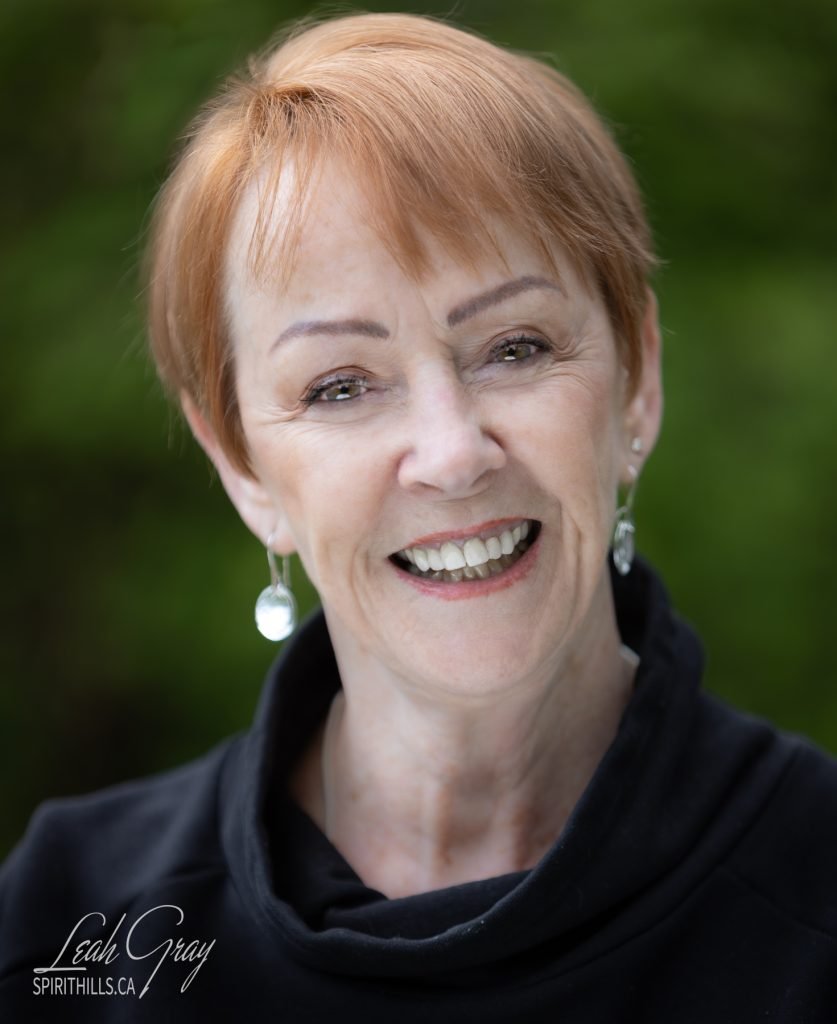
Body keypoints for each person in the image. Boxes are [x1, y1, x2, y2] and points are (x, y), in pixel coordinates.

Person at [1, 11, 836, 1021]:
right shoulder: (65, 930)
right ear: (241, 465)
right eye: (341, 386)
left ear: (638, 379)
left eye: (516, 347)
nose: (451, 454)